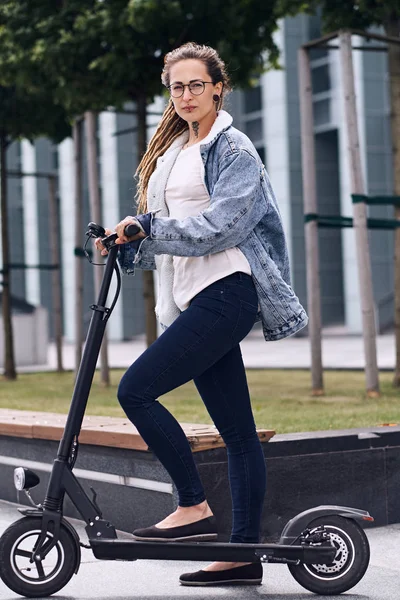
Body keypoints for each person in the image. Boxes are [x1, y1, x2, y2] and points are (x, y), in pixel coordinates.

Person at [95, 42, 308, 587]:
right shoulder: (173, 153)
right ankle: (241, 555)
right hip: (194, 296)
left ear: (218, 86)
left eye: (195, 85)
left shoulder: (233, 148)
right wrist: (126, 238)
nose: (185, 95)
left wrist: (153, 228)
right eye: (176, 86)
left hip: (228, 292)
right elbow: (166, 229)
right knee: (237, 433)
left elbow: (223, 226)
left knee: (135, 390)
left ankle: (192, 505)